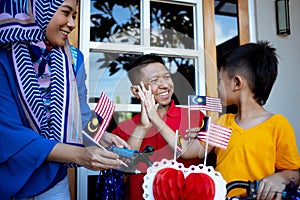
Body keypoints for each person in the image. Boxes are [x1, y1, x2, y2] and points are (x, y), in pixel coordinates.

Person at [0, 0, 129, 199]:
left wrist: (99, 137)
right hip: (9, 180)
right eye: (66, 13)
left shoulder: (74, 59)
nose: (72, 23)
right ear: (38, 9)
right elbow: (8, 132)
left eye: (75, 16)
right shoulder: (4, 56)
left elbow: (81, 116)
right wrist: (80, 155)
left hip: (53, 183)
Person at [138, 41, 300, 199]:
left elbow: (293, 172)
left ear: (236, 82)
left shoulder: (278, 125)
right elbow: (186, 151)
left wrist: (281, 178)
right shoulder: (222, 123)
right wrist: (156, 118)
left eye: (220, 81)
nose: (217, 87)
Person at [112, 53, 206, 200]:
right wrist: (142, 127)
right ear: (136, 91)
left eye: (167, 77)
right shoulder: (125, 128)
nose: (165, 85)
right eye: (154, 80)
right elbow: (121, 173)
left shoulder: (195, 117)